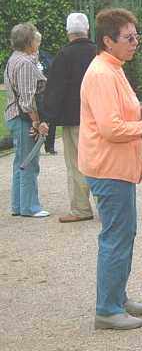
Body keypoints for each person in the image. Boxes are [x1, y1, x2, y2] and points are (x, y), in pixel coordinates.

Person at [79, 8, 142, 330]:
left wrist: (141, 109)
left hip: (118, 169)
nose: (135, 42)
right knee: (116, 237)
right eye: (129, 37)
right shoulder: (101, 73)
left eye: (136, 36)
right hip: (108, 169)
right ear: (108, 41)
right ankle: (108, 309)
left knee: (124, 234)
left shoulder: (114, 68)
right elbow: (111, 128)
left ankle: (117, 297)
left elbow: (118, 110)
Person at [43, 12, 96, 223]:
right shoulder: (98, 53)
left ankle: (81, 208)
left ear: (68, 32)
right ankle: (107, 206)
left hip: (74, 118)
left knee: (76, 164)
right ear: (87, 30)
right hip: (97, 116)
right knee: (100, 162)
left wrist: (48, 117)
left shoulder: (63, 55)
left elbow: (55, 90)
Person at [4, 23, 49, 218]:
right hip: (23, 118)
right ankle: (30, 206)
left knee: (20, 162)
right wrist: (36, 122)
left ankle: (18, 204)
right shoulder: (25, 63)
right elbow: (27, 98)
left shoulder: (15, 59)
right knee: (29, 162)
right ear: (29, 41)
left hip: (15, 115)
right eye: (35, 39)